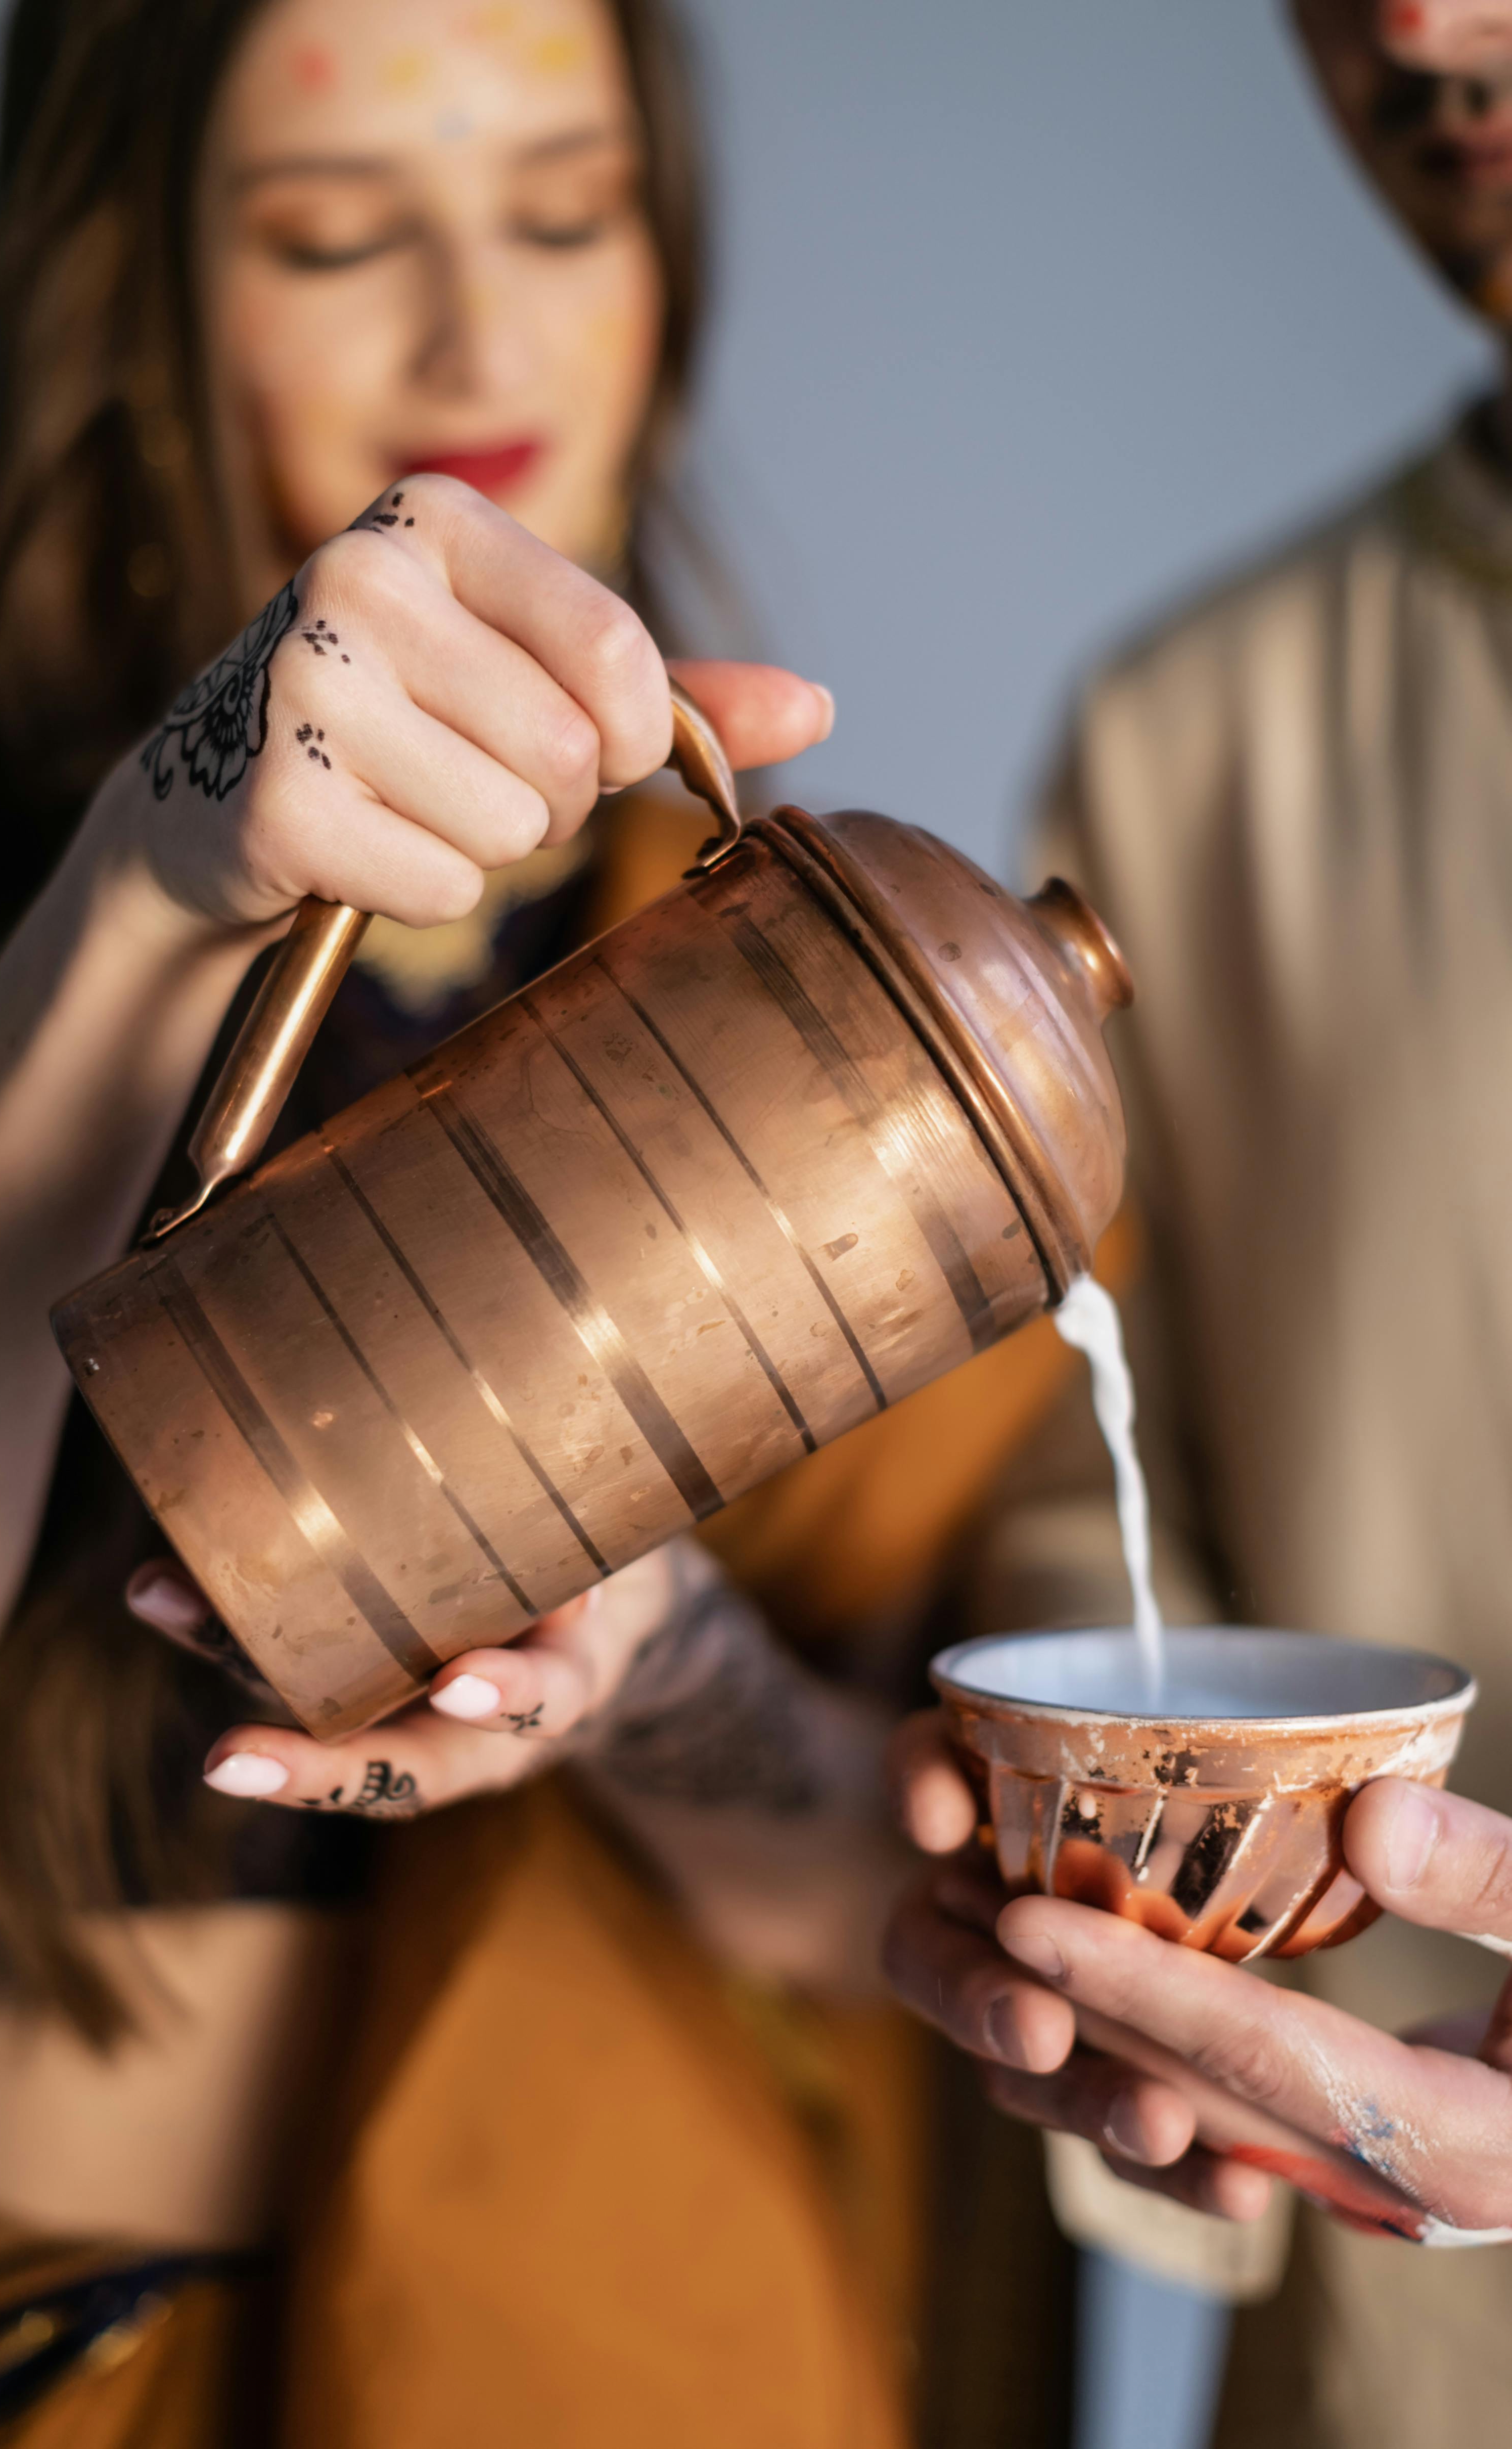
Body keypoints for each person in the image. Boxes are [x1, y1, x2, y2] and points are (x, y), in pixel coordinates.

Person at [0, 1, 957, 2440]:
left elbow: (865, 1899)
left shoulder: (791, 991)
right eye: (338, 233)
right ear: (124, 267)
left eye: (565, 214)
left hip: (570, 2351)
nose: (478, 334)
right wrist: (150, 888)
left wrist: (651, 1651)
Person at [886, 2, 1512, 2442]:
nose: (1419, 25)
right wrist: (1092, 1837)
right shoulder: (1192, 744)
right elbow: (1098, 1439)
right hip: (1412, 2332)